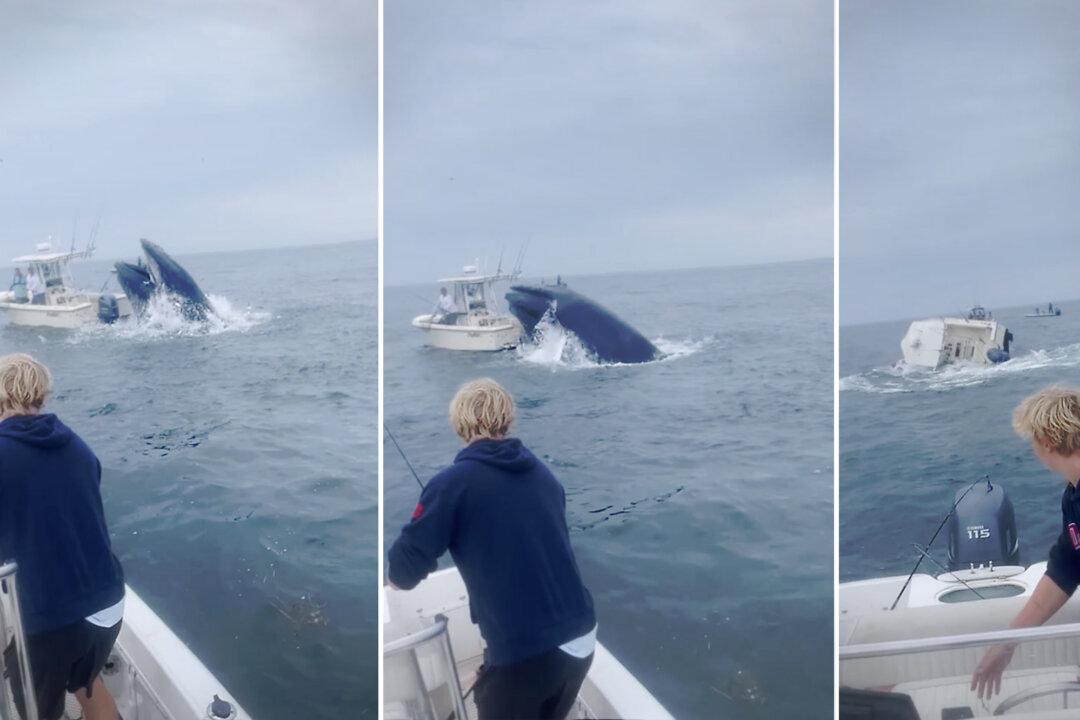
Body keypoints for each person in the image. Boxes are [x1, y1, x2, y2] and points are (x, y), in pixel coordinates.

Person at [388, 378, 596, 720]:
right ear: (508, 419)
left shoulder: (451, 483)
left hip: (529, 654)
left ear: (460, 424)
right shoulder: (544, 475)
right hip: (582, 639)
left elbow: (402, 573)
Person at [0, 354, 124, 720]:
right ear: (42, 393)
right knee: (85, 683)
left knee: (36, 702)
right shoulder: (78, 446)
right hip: (108, 606)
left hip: (54, 619)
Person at [972, 386, 1080, 699]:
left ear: (1047, 442)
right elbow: (1067, 567)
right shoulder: (1073, 496)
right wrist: (1008, 643)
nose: (1033, 450)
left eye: (1033, 441)